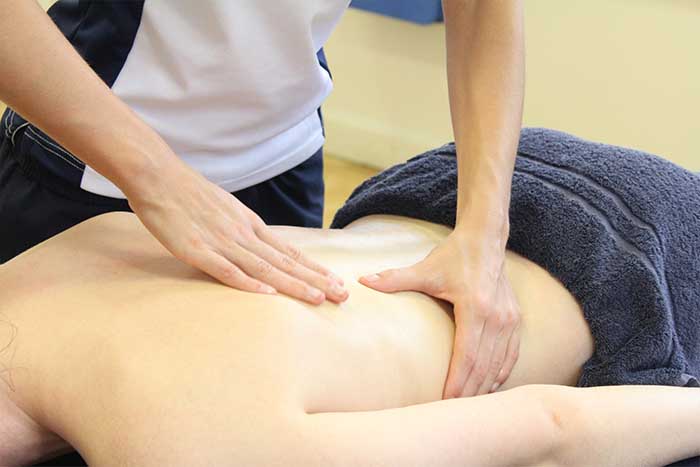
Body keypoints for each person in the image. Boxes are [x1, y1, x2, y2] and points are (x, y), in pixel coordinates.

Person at [1, 129, 699, 465]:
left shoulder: (172, 440)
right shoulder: (41, 265)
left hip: (633, 274)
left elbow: (553, 430)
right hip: (458, 185)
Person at [0, 0, 526, 399]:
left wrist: (483, 235)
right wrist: (157, 179)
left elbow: (482, 10)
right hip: (89, 170)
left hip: (281, 178)